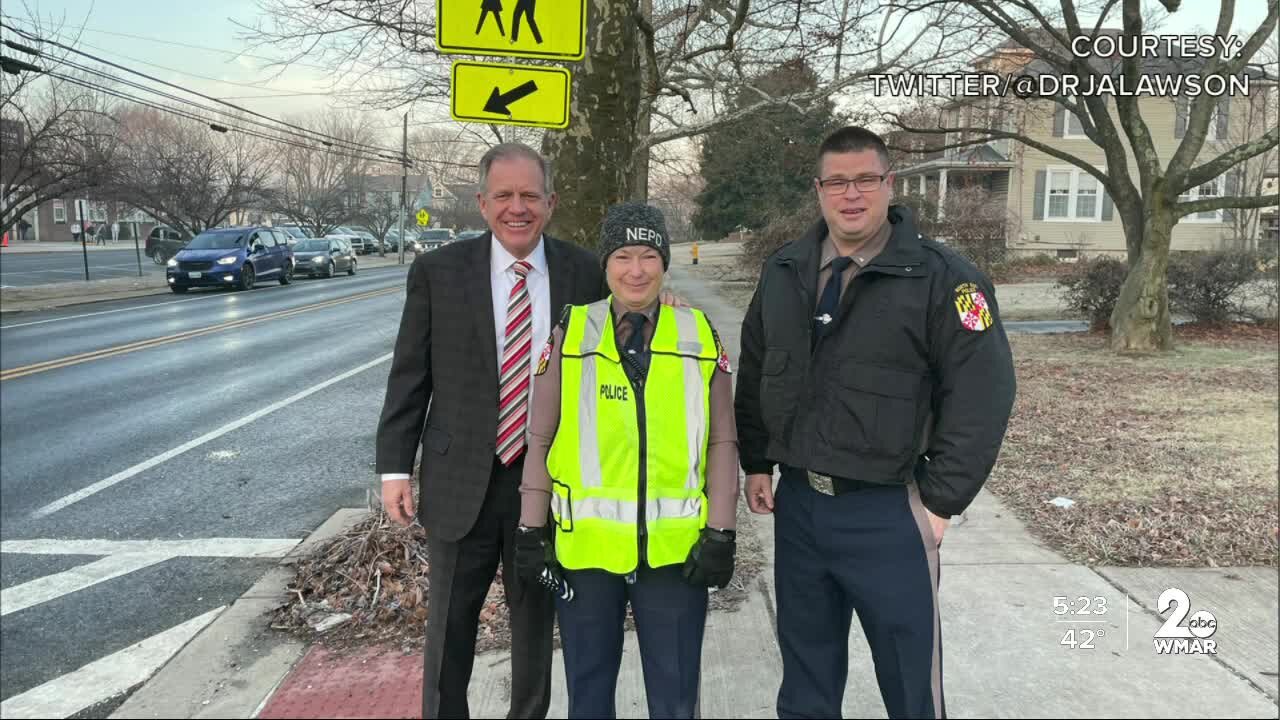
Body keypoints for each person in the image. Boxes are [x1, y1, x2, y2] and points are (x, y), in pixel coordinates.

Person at [735, 126, 1016, 719]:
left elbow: (983, 396)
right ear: (818, 190)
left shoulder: (946, 279)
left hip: (890, 512)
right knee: (806, 684)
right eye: (837, 182)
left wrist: (939, 504)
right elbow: (760, 365)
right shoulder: (784, 270)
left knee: (911, 688)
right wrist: (757, 460)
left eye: (865, 179)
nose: (851, 194)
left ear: (889, 184)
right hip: (802, 512)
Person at [376, 143, 603, 719]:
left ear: (551, 202)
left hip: (547, 481)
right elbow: (410, 375)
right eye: (504, 195)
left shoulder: (585, 272)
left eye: (530, 195)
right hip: (460, 481)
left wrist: (665, 303)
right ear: (482, 203)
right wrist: (395, 469)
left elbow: (626, 332)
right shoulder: (437, 272)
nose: (517, 207)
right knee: (450, 627)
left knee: (534, 629)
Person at [513, 203, 739, 719]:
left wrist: (721, 532)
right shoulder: (570, 333)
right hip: (587, 555)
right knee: (588, 697)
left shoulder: (699, 333)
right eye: (622, 255)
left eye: (648, 256)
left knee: (676, 698)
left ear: (665, 262)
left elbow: (723, 442)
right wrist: (530, 530)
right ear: (605, 262)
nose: (636, 270)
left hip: (675, 556)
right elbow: (540, 436)